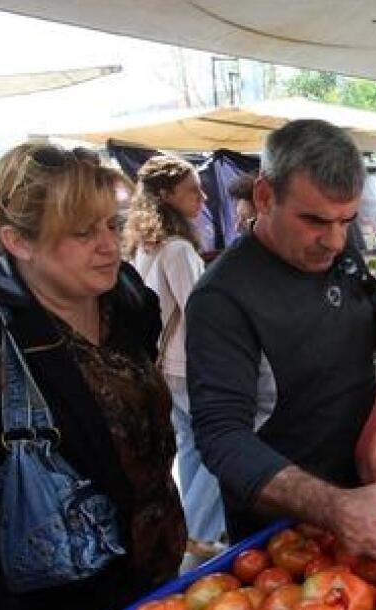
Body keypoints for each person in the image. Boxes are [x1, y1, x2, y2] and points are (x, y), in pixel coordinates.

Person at [0, 143, 186, 610]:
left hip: (149, 591)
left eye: (110, 223)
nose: (108, 245)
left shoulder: (124, 298)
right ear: (17, 241)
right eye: (82, 233)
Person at [186, 119, 376, 558]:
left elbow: (362, 330)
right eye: (314, 220)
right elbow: (221, 439)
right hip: (281, 539)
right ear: (265, 196)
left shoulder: (338, 250)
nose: (332, 241)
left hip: (369, 496)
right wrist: (334, 506)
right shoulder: (222, 298)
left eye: (346, 220)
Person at [123, 155, 227, 554]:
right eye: (192, 190)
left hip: (165, 367)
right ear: (166, 196)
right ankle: (201, 537)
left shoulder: (146, 245)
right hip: (188, 366)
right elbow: (202, 315)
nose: (202, 196)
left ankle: (193, 534)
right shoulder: (178, 249)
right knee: (207, 456)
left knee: (189, 449)